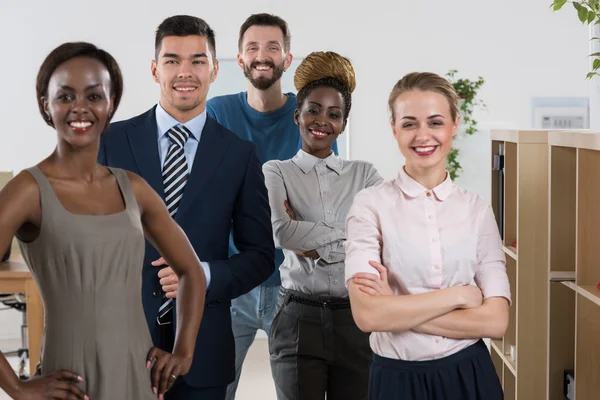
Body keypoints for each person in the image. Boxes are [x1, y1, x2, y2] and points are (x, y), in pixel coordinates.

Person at [0, 42, 206, 400]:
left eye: (94, 96)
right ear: (45, 105)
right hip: (71, 379)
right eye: (65, 96)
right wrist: (15, 386)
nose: (80, 107)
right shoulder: (28, 190)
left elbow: (191, 271)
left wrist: (182, 352)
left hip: (137, 374)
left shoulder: (134, 189)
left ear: (110, 104)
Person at [98, 15, 275, 400]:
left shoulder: (240, 155)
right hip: (119, 346)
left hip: (204, 355)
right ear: (154, 68)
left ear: (213, 69)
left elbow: (261, 256)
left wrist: (203, 275)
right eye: (172, 60)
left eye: (197, 61)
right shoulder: (110, 142)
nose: (185, 72)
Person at [344, 71, 511, 400]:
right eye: (409, 124)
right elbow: (368, 315)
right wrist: (460, 296)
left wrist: (394, 307)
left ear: (454, 125)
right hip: (397, 379)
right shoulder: (369, 206)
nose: (423, 135)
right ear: (394, 129)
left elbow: (496, 322)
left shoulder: (477, 210)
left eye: (435, 122)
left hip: (471, 375)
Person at [206, 13, 336, 399]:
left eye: (272, 48)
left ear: (287, 58)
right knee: (214, 389)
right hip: (231, 285)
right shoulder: (218, 113)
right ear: (241, 59)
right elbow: (208, 196)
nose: (263, 56)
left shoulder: (310, 115)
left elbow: (324, 202)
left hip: (293, 286)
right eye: (253, 48)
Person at [263, 51, 382, 400]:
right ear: (297, 114)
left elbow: (379, 238)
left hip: (355, 316)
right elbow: (280, 232)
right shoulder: (276, 171)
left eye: (334, 114)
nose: (322, 120)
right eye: (313, 110)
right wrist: (349, 233)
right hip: (298, 317)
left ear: (343, 123)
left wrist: (311, 235)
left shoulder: (365, 174)